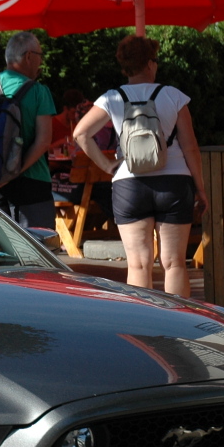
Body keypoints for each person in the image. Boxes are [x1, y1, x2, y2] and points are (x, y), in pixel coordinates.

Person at [72, 34, 207, 296]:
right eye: (155, 60)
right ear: (148, 63)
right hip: (174, 183)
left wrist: (108, 165)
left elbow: (80, 134)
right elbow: (190, 147)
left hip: (128, 184)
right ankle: (178, 328)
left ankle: (144, 330)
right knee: (175, 264)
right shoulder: (173, 96)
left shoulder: (112, 98)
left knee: (138, 264)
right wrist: (200, 189)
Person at [0, 31, 57, 229]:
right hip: (31, 182)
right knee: (36, 252)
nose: (41, 63)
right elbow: (44, 141)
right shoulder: (39, 92)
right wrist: (13, 172)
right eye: (40, 56)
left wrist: (1, 175)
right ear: (29, 56)